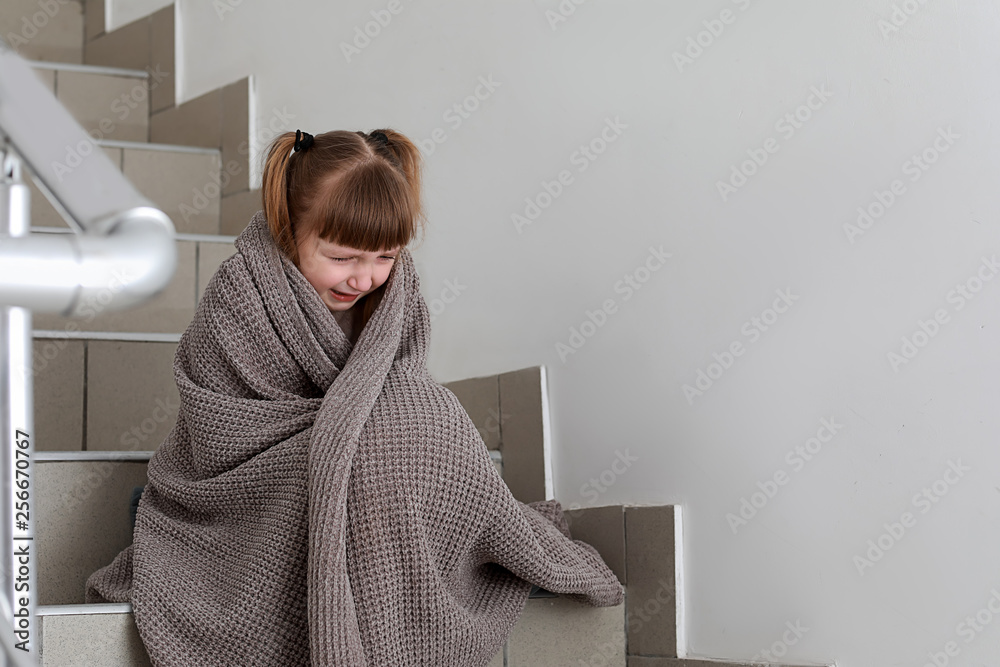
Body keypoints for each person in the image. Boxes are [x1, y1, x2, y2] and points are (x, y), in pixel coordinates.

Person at [87, 127, 623, 667]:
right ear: (289, 229)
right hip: (250, 473)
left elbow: (400, 386)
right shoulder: (240, 295)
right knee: (372, 449)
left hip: (363, 445)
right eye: (341, 257)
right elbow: (223, 431)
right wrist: (344, 436)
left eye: (385, 256)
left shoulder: (393, 289)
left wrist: (367, 428)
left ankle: (408, 599)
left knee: (429, 418)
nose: (364, 277)